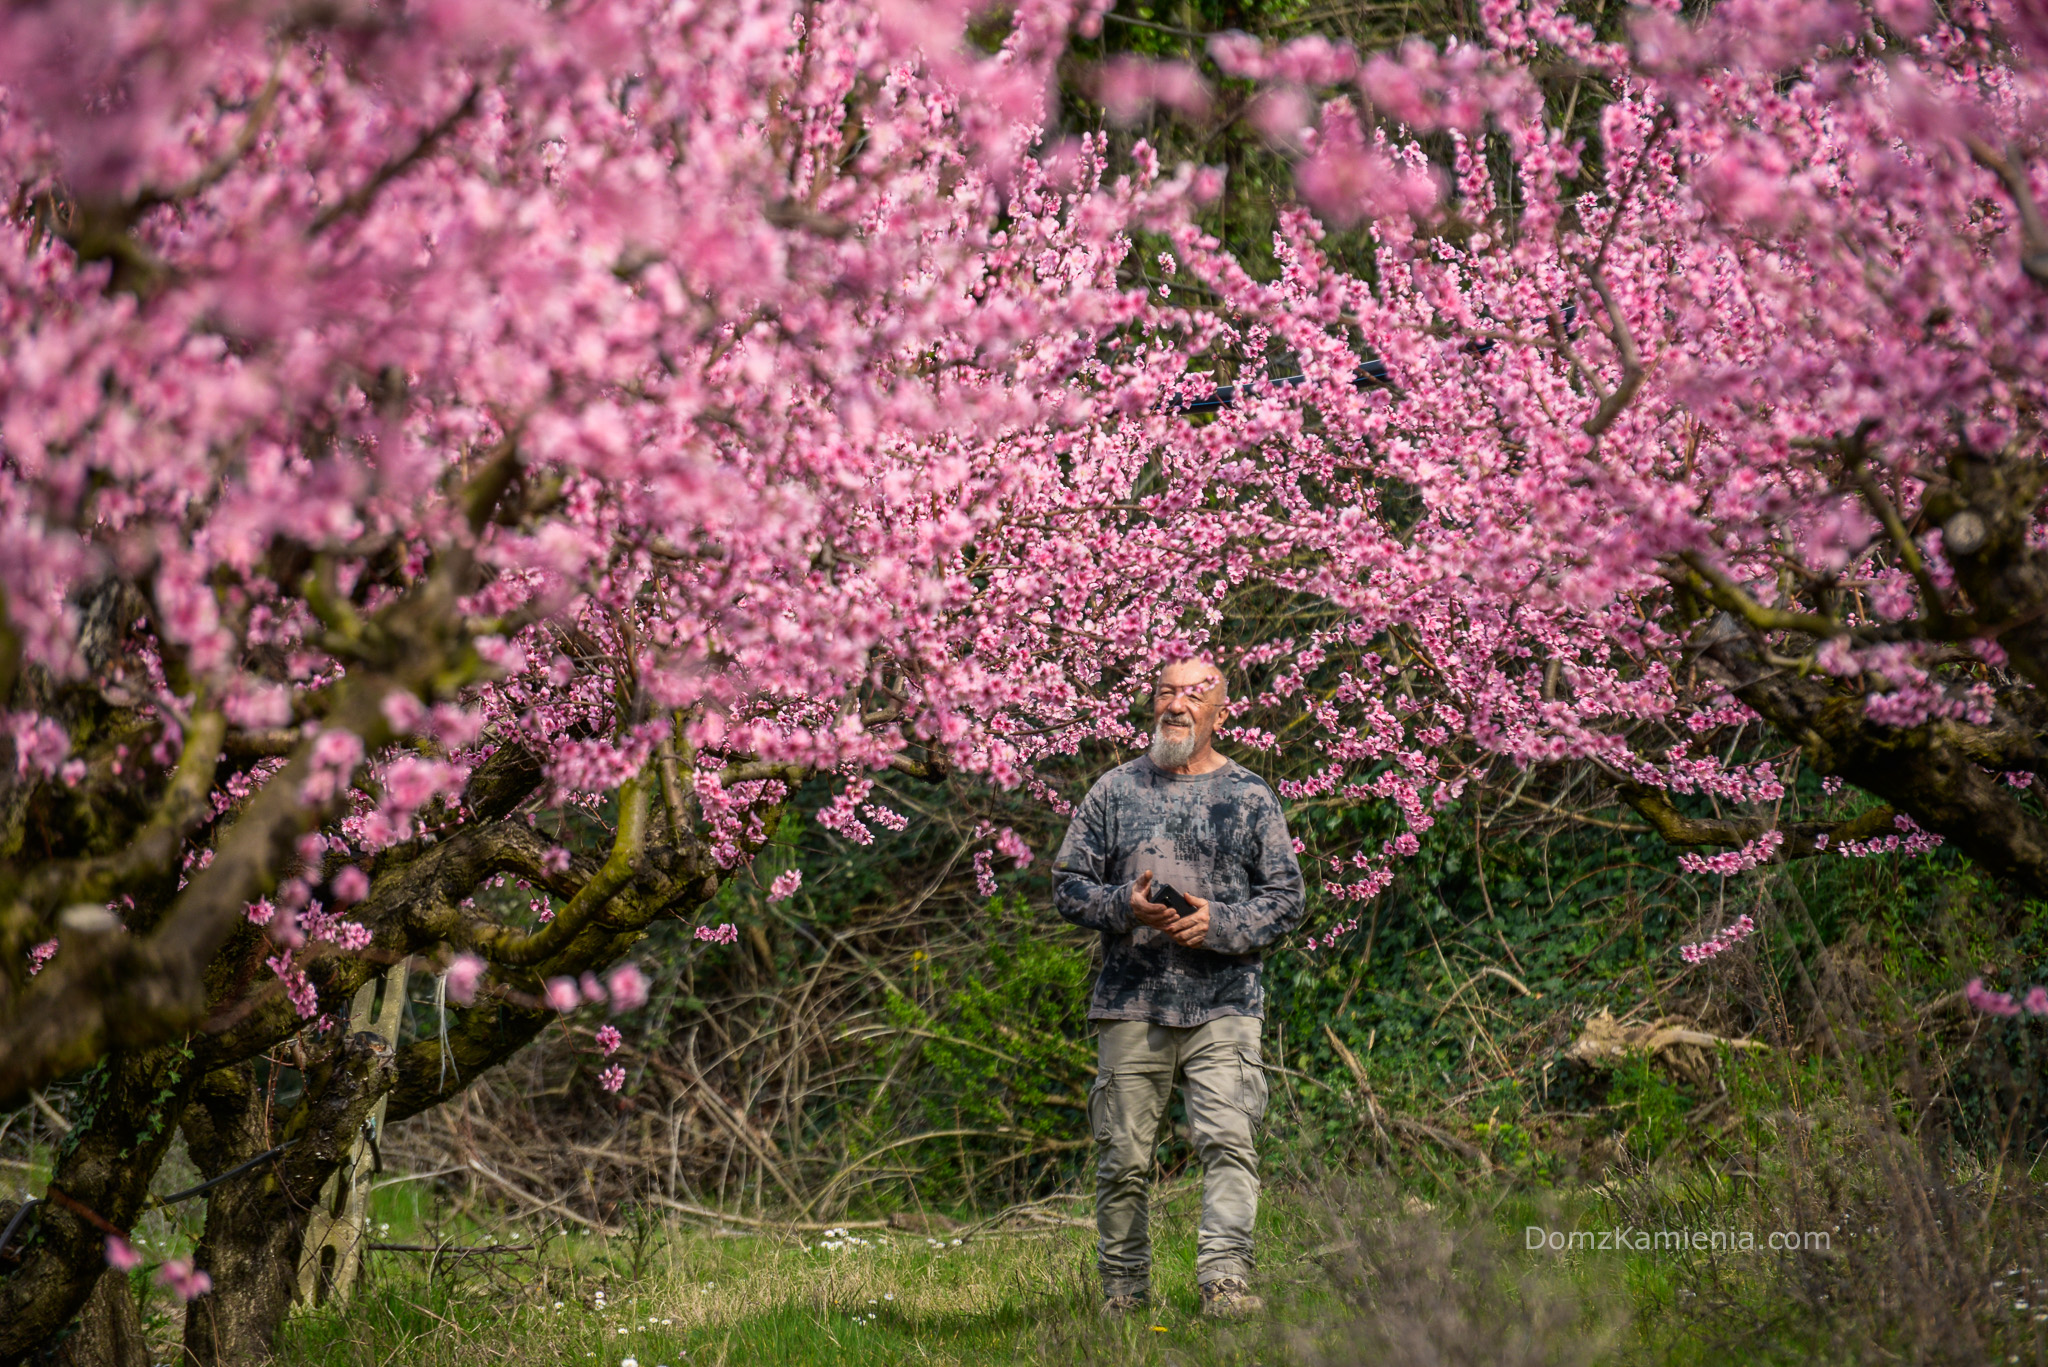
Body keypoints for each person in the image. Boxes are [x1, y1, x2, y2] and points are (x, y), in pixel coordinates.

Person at [1051, 656, 1306, 1319]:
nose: (1176, 704)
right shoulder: (1112, 791)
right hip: (1130, 1000)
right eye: (1166, 692)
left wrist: (1217, 922)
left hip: (1225, 1001)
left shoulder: (1250, 795)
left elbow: (1287, 899)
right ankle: (1125, 1294)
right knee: (1123, 1159)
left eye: (1194, 695)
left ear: (1221, 711)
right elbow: (1067, 885)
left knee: (1228, 1142)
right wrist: (1123, 906)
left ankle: (1225, 1282)